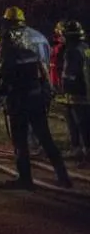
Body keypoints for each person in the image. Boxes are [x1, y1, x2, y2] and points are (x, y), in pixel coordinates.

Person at [0, 24, 73, 188]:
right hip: (36, 100)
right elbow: (44, 76)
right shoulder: (32, 56)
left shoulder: (10, 58)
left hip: (18, 103)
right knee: (46, 138)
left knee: (20, 142)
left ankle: (25, 179)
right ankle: (63, 176)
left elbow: (5, 83)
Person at [57, 20, 90, 163]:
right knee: (80, 123)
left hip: (77, 93)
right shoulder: (86, 48)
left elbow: (71, 74)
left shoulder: (72, 51)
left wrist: (63, 88)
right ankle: (78, 150)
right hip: (84, 92)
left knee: (80, 124)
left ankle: (85, 153)